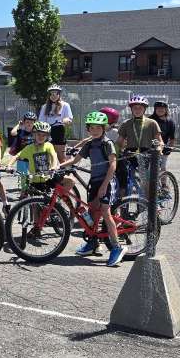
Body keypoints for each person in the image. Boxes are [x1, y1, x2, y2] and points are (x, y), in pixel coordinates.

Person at [58, 111, 124, 267]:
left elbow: (113, 165)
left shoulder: (107, 143)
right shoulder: (89, 144)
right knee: (92, 212)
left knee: (106, 212)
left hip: (107, 181)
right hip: (94, 182)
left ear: (104, 128)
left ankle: (117, 247)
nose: (94, 131)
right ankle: (93, 243)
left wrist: (104, 186)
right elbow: (74, 160)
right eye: (91, 128)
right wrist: (57, 166)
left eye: (98, 128)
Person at [116, 95, 162, 198]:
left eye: (140, 108)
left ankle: (151, 203)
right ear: (131, 109)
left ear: (144, 109)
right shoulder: (126, 123)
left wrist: (159, 149)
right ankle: (122, 200)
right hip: (130, 153)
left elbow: (159, 141)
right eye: (135, 108)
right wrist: (113, 152)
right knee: (122, 176)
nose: (137, 110)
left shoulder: (152, 123)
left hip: (147, 153)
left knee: (146, 180)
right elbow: (119, 141)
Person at [38, 84, 74, 161]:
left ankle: (64, 168)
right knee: (47, 157)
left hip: (59, 130)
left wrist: (66, 120)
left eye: (56, 93)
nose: (53, 96)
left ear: (59, 94)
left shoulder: (65, 105)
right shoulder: (45, 107)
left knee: (61, 158)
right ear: (49, 95)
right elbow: (41, 120)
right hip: (47, 131)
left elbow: (69, 118)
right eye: (51, 94)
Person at [152, 101, 177, 194]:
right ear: (155, 109)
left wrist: (170, 148)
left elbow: (172, 137)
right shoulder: (150, 120)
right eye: (158, 108)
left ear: (166, 110)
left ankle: (164, 185)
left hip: (164, 148)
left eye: (162, 108)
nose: (160, 110)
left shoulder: (170, 122)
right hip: (150, 148)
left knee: (163, 167)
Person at [8, 112, 37, 184]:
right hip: (21, 158)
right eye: (27, 122)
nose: (29, 124)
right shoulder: (21, 132)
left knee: (34, 177)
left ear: (34, 123)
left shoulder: (36, 133)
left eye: (31, 122)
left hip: (33, 158)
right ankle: (24, 189)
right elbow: (12, 133)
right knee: (24, 177)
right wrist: (19, 125)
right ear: (24, 122)